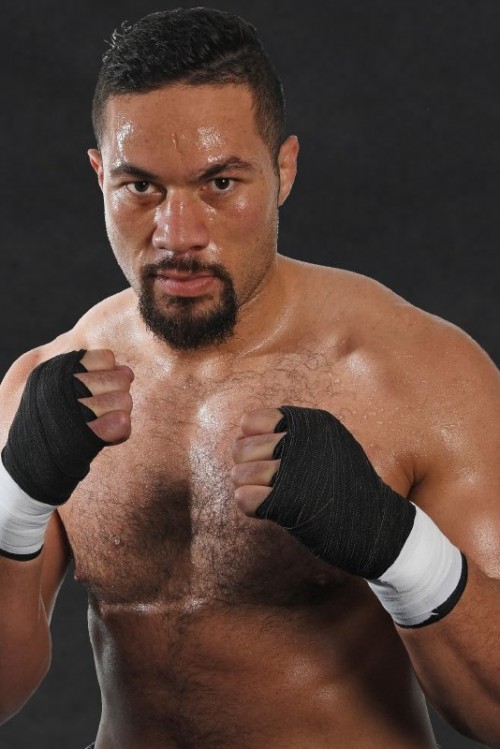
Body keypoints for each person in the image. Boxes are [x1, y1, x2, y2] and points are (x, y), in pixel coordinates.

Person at [0, 7, 499, 748]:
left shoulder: (419, 374)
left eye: (221, 182)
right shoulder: (43, 387)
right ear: (101, 175)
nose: (178, 235)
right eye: (141, 188)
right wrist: (14, 499)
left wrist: (396, 545)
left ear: (284, 169)